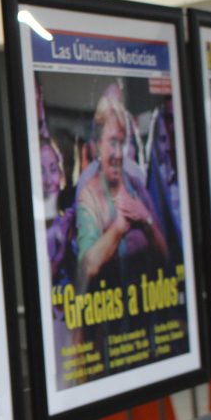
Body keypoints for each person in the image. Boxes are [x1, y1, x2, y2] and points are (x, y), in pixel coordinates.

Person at [76, 86, 168, 294]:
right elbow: (87, 268)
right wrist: (118, 227)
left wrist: (146, 219)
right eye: (112, 143)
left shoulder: (136, 185)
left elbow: (166, 255)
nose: (118, 154)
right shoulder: (88, 193)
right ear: (97, 145)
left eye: (121, 143)